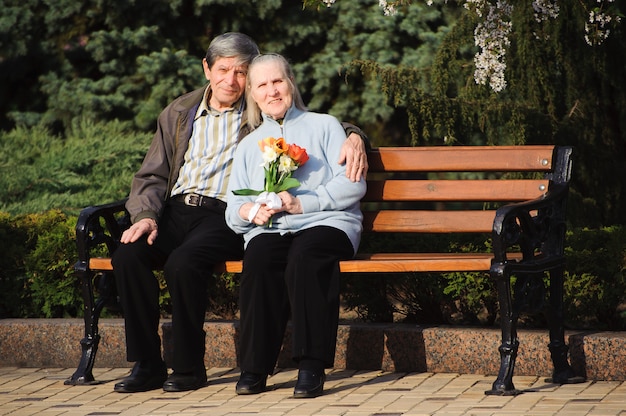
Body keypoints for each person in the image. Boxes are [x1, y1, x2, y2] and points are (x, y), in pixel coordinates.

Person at [111, 33, 369, 394]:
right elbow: (154, 175)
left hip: (238, 218)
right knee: (127, 257)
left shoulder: (272, 124)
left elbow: (306, 122)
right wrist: (145, 216)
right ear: (207, 69)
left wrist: (355, 135)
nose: (232, 80)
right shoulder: (182, 114)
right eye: (223, 70)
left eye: (242, 72)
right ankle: (150, 364)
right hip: (180, 211)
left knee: (188, 263)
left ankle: (191, 367)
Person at [225, 53, 367, 398]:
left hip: (328, 222)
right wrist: (249, 212)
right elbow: (232, 210)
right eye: (262, 85)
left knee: (306, 255)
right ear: (253, 96)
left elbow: (353, 184)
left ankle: (311, 365)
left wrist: (304, 203)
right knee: (258, 256)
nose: (272, 91)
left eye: (278, 81)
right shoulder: (248, 145)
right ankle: (255, 367)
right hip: (274, 229)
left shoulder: (325, 126)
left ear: (291, 84)